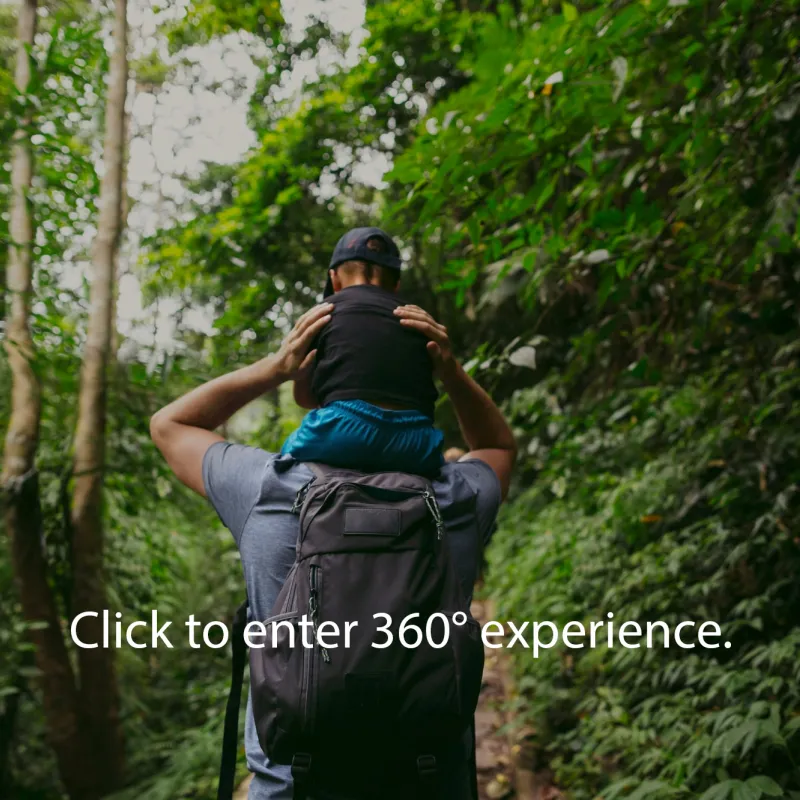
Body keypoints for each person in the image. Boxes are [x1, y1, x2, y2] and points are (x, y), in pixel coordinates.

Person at [150, 301, 516, 799]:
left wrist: (277, 368)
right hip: (429, 781)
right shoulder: (459, 498)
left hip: (293, 786)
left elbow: (169, 425)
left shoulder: (267, 488)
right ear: (421, 390)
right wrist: (451, 371)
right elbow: (499, 447)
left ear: (322, 393)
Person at [282, 227, 444, 476]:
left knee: (284, 460)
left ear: (335, 279)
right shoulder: (419, 318)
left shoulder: (321, 314)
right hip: (416, 441)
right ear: (396, 285)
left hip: (342, 431)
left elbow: (305, 399)